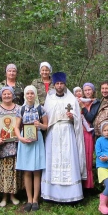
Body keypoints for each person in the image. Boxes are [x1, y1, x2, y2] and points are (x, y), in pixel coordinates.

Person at [41, 72, 86, 202]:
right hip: (54, 132)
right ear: (54, 85)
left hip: (67, 131)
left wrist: (73, 118)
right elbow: (47, 117)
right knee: (53, 159)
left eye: (61, 83)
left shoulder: (71, 99)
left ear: (65, 84)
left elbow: (78, 118)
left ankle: (71, 195)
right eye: (57, 84)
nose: (59, 86)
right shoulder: (49, 100)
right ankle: (51, 194)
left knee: (69, 159)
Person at [15, 85, 48, 212]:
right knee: (27, 171)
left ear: (35, 95)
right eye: (28, 93)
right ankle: (28, 199)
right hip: (25, 141)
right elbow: (17, 127)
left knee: (36, 170)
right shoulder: (21, 109)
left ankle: (35, 199)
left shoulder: (40, 109)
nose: (30, 96)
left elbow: (46, 126)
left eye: (32, 93)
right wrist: (20, 138)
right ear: (25, 95)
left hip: (37, 140)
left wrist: (40, 124)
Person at [0, 86, 23, 208]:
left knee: (14, 170)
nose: (6, 96)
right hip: (2, 145)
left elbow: (23, 125)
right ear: (1, 95)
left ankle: (12, 195)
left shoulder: (19, 109)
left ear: (13, 95)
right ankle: (3, 196)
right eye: (4, 94)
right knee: (3, 171)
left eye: (9, 94)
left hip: (15, 144)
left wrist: (19, 135)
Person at [77, 82, 100, 189]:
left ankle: (88, 184)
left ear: (93, 91)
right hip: (79, 132)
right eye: (85, 90)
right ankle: (78, 183)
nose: (87, 92)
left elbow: (90, 117)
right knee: (79, 157)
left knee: (88, 157)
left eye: (89, 90)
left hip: (88, 133)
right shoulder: (79, 101)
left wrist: (83, 107)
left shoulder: (96, 103)